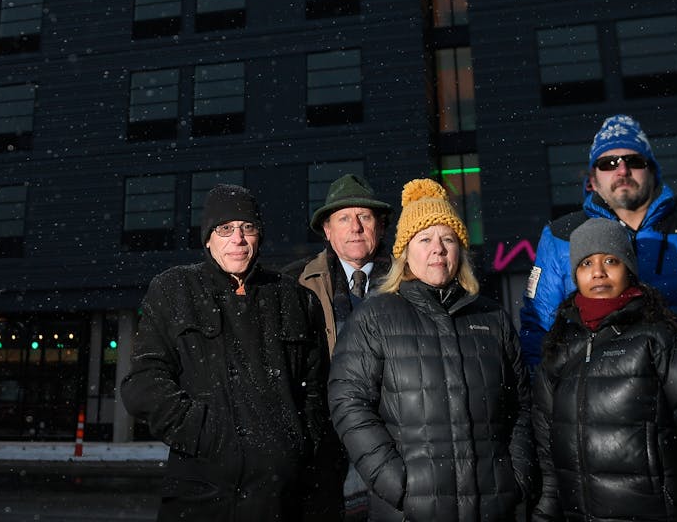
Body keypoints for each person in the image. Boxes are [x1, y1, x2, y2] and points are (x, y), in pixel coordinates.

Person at [121, 183, 330, 522]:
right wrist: (208, 435)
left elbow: (315, 386)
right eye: (225, 229)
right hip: (202, 494)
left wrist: (299, 439)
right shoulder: (174, 289)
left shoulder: (293, 297)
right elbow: (144, 383)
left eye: (248, 228)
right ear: (208, 238)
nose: (238, 239)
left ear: (259, 236)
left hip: (283, 499)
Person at [328, 178, 534, 522]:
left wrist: (517, 477)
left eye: (448, 239)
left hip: (492, 508)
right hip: (409, 511)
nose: (438, 249)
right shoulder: (376, 316)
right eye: (425, 239)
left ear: (460, 251)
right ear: (405, 252)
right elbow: (347, 403)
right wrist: (398, 484)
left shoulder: (492, 317)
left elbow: (522, 405)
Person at [532, 218, 677, 522]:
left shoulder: (664, 339)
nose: (599, 272)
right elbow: (550, 463)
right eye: (587, 263)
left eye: (611, 261)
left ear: (629, 268)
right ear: (575, 274)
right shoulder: (559, 348)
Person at [520, 113, 677, 367]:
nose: (622, 170)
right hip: (596, 397)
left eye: (633, 161)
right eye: (608, 163)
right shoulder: (560, 235)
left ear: (653, 171)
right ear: (592, 180)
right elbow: (538, 330)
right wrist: (542, 397)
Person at [286, 173, 393, 520]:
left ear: (379, 226)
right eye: (344, 218)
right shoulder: (294, 285)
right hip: (325, 448)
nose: (356, 227)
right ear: (327, 231)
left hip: (395, 439)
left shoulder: (408, 282)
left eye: (364, 217)